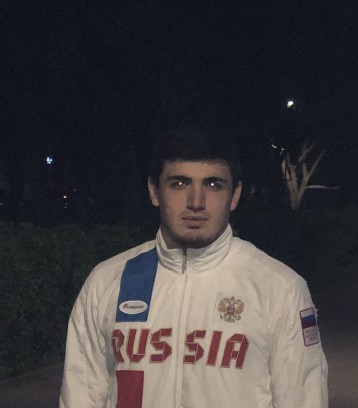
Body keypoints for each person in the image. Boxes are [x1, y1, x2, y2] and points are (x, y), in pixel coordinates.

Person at [60, 126, 328, 407]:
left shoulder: (280, 288)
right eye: (179, 183)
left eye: (213, 185)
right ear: (154, 191)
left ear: (235, 195)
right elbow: (80, 396)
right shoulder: (106, 282)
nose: (196, 202)